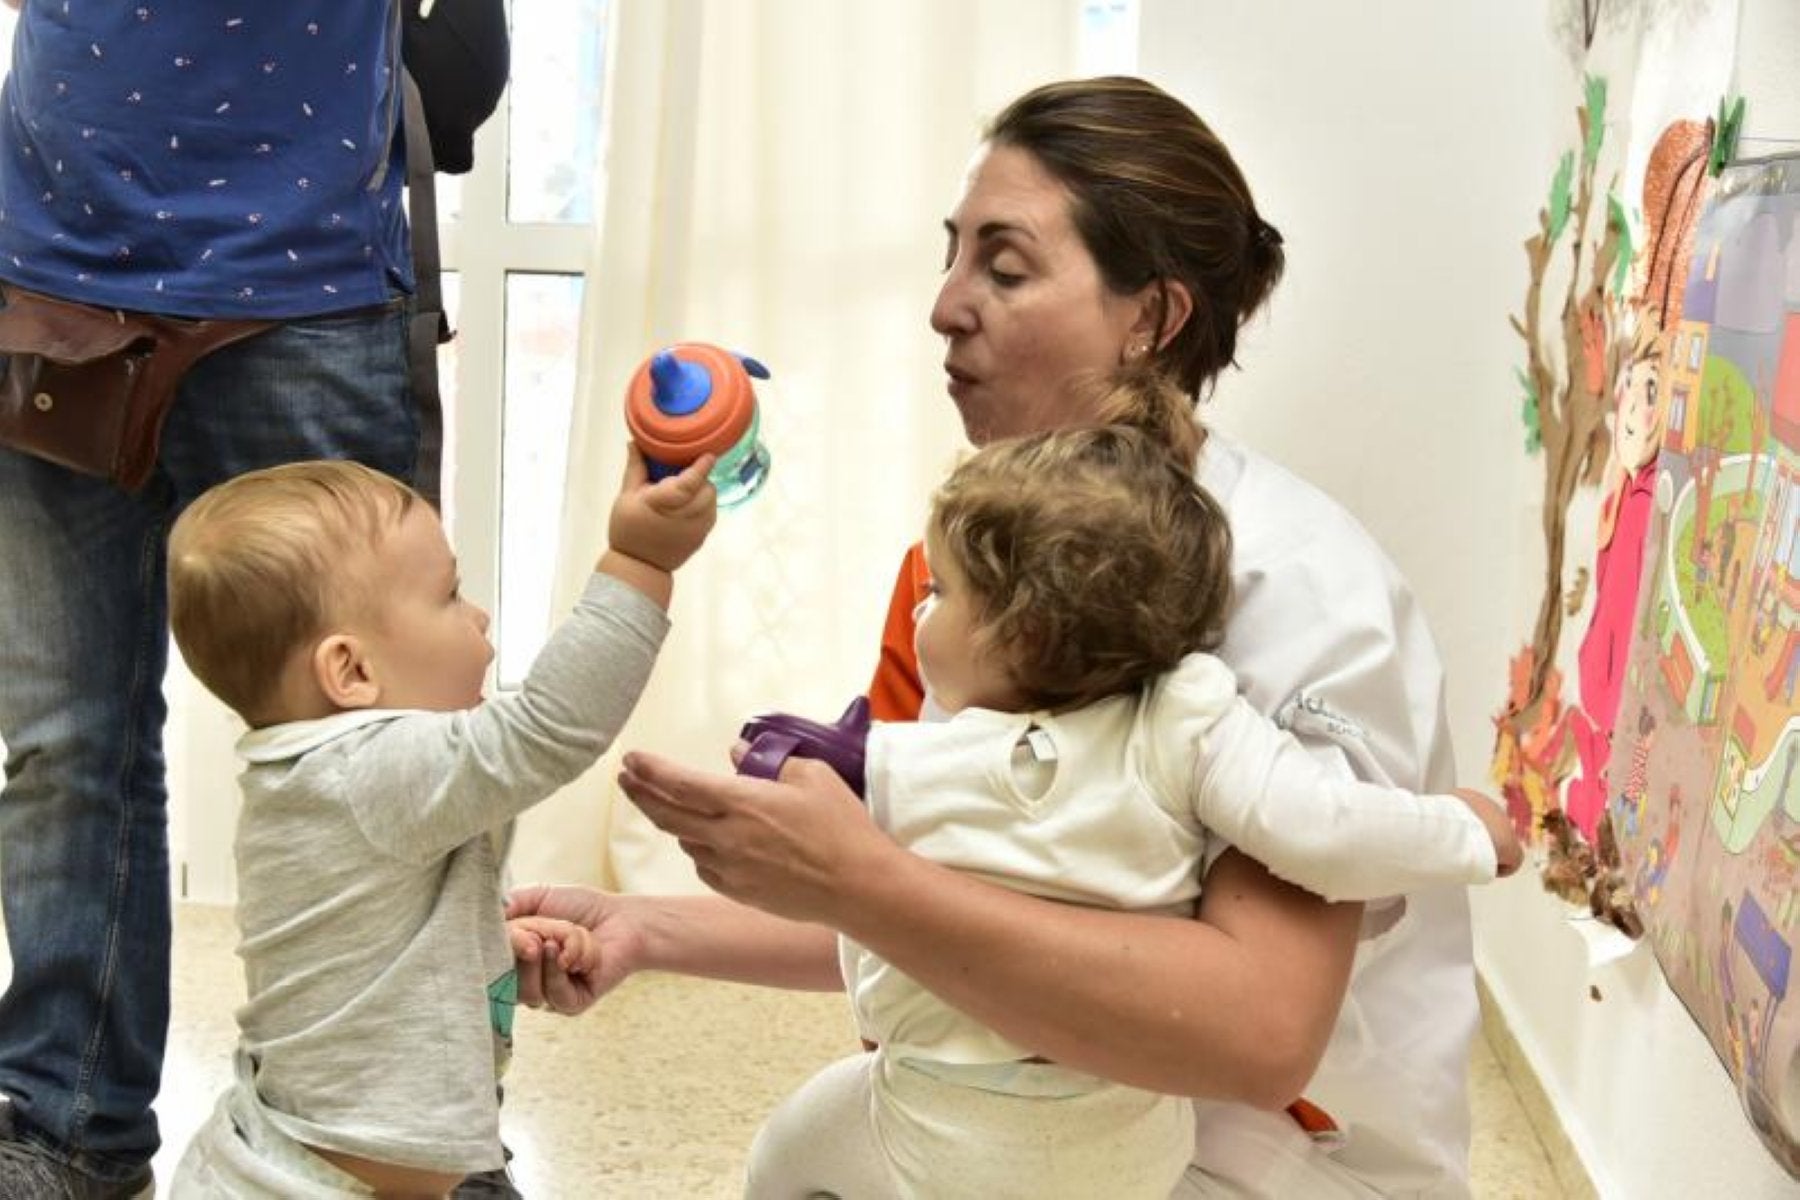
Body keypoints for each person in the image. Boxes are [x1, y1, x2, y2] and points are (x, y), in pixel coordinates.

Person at [511, 75, 1485, 1197]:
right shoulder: (984, 567)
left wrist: (865, 884)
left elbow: (1258, 1032)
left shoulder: (1302, 595)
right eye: (952, 254)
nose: (945, 304)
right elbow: (983, 897)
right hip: (1063, 1121)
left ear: (1153, 319)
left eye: (1005, 267)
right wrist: (648, 930)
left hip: (1271, 1163)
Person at [670, 370, 1517, 1198]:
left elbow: (849, 846)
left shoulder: (932, 757)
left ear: (1023, 626)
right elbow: (1335, 833)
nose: (921, 611)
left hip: (945, 1128)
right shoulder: (1189, 720)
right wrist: (1465, 830)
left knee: (788, 1150)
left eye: (941, 593)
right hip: (1135, 1151)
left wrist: (787, 758)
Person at [0, 7, 451, 1197]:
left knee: (377, 748)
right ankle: (66, 1129)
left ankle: (418, 1139)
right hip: (53, 274)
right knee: (63, 745)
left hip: (302, 283)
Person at [162, 453, 714, 1197]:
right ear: (351, 673)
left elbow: (356, 942)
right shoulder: (369, 767)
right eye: (450, 595)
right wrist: (640, 561)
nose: (477, 613)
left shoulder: (315, 773)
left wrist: (473, 952)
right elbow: (550, 727)